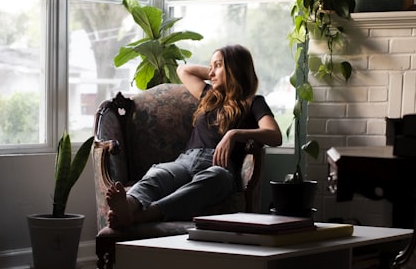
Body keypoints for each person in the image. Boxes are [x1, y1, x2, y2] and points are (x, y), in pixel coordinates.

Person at [106, 44, 283, 228]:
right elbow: (183, 70)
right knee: (157, 174)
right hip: (185, 161)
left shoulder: (253, 102)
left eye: (218, 65)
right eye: (211, 67)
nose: (211, 72)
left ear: (235, 68)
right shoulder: (209, 95)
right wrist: (216, 72)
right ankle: (128, 205)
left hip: (219, 166)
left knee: (217, 178)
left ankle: (142, 216)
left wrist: (234, 134)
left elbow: (274, 135)